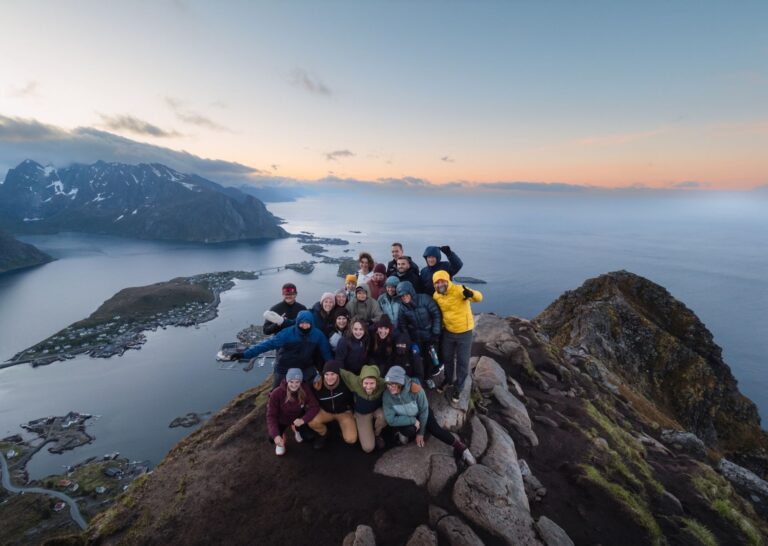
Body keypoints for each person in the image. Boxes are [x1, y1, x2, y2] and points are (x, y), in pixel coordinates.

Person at [382, 366, 475, 465]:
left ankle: (462, 448)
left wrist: (421, 433)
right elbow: (390, 419)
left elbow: (424, 410)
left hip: (421, 412)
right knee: (409, 430)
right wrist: (412, 421)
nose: (390, 387)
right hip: (405, 417)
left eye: (393, 384)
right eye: (388, 384)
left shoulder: (415, 387)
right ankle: (403, 433)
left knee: (435, 430)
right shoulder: (387, 395)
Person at [230, 310, 332, 389]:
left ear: (312, 323)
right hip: (284, 367)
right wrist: (244, 354)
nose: (304, 326)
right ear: (297, 322)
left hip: (305, 366)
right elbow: (267, 344)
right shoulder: (287, 334)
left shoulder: (317, 335)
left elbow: (326, 352)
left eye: (307, 323)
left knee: (310, 389)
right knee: (277, 391)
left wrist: (331, 368)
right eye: (302, 322)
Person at [432, 271, 483, 404]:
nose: (440, 284)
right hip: (448, 331)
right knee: (447, 358)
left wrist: (471, 294)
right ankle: (448, 380)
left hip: (464, 331)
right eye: (437, 282)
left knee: (462, 361)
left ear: (447, 280)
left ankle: (459, 387)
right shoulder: (436, 296)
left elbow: (479, 297)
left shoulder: (459, 289)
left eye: (442, 281)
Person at [266, 368, 320, 456]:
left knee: (309, 437)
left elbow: (315, 406)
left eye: (297, 382)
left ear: (300, 382)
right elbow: (271, 416)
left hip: (298, 418)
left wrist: (303, 420)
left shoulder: (305, 389)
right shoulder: (276, 393)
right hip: (281, 419)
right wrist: (276, 435)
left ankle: (296, 429)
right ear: (287, 381)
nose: (294, 385)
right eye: (291, 381)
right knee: (272, 438)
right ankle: (281, 439)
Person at [397, 280, 443, 381]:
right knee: (417, 358)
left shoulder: (425, 299)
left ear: (411, 292)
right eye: (402, 296)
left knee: (431, 358)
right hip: (416, 337)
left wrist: (435, 333)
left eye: (406, 294)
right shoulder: (402, 308)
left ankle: (429, 378)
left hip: (430, 335)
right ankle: (420, 379)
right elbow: (402, 324)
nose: (404, 297)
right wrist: (408, 339)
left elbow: (436, 314)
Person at [308, 360, 358, 449]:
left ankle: (341, 427)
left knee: (351, 439)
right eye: (327, 374)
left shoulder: (346, 382)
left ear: (338, 374)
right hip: (325, 411)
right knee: (312, 421)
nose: (329, 377)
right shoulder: (318, 384)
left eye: (333, 374)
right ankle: (324, 434)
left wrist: (355, 411)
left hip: (344, 412)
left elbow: (356, 396)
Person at [340, 364, 387, 453]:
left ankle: (377, 434)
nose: (368, 387)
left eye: (372, 383)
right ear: (361, 381)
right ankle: (366, 430)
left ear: (377, 381)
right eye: (366, 383)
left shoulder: (383, 383)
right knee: (368, 448)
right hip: (362, 413)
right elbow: (341, 372)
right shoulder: (355, 381)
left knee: (385, 415)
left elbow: (397, 379)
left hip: (377, 410)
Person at [370, 315, 424, 382]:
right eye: (381, 328)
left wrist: (413, 346)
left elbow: (404, 341)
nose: (383, 331)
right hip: (374, 360)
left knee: (382, 375)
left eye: (386, 328)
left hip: (385, 361)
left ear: (389, 329)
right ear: (377, 328)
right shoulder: (372, 334)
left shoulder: (393, 336)